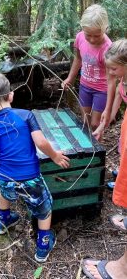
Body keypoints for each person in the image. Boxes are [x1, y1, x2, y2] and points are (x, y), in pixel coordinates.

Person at [0, 73, 70, 262]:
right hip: (29, 178)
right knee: (45, 207)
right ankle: (43, 244)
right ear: (11, 95)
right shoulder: (25, 115)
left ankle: (3, 221)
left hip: (3, 176)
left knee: (5, 192)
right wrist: (54, 156)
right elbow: (41, 142)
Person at [82, 40, 127, 278]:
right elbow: (119, 93)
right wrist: (106, 119)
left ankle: (123, 270)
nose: (109, 73)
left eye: (113, 69)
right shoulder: (124, 77)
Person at [62, 4, 112, 132]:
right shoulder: (79, 37)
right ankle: (88, 148)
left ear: (105, 29)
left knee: (96, 124)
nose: (92, 39)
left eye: (97, 35)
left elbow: (111, 78)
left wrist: (109, 105)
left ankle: (97, 148)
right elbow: (78, 59)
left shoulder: (107, 48)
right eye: (88, 35)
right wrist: (70, 78)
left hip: (102, 90)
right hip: (85, 86)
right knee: (85, 121)